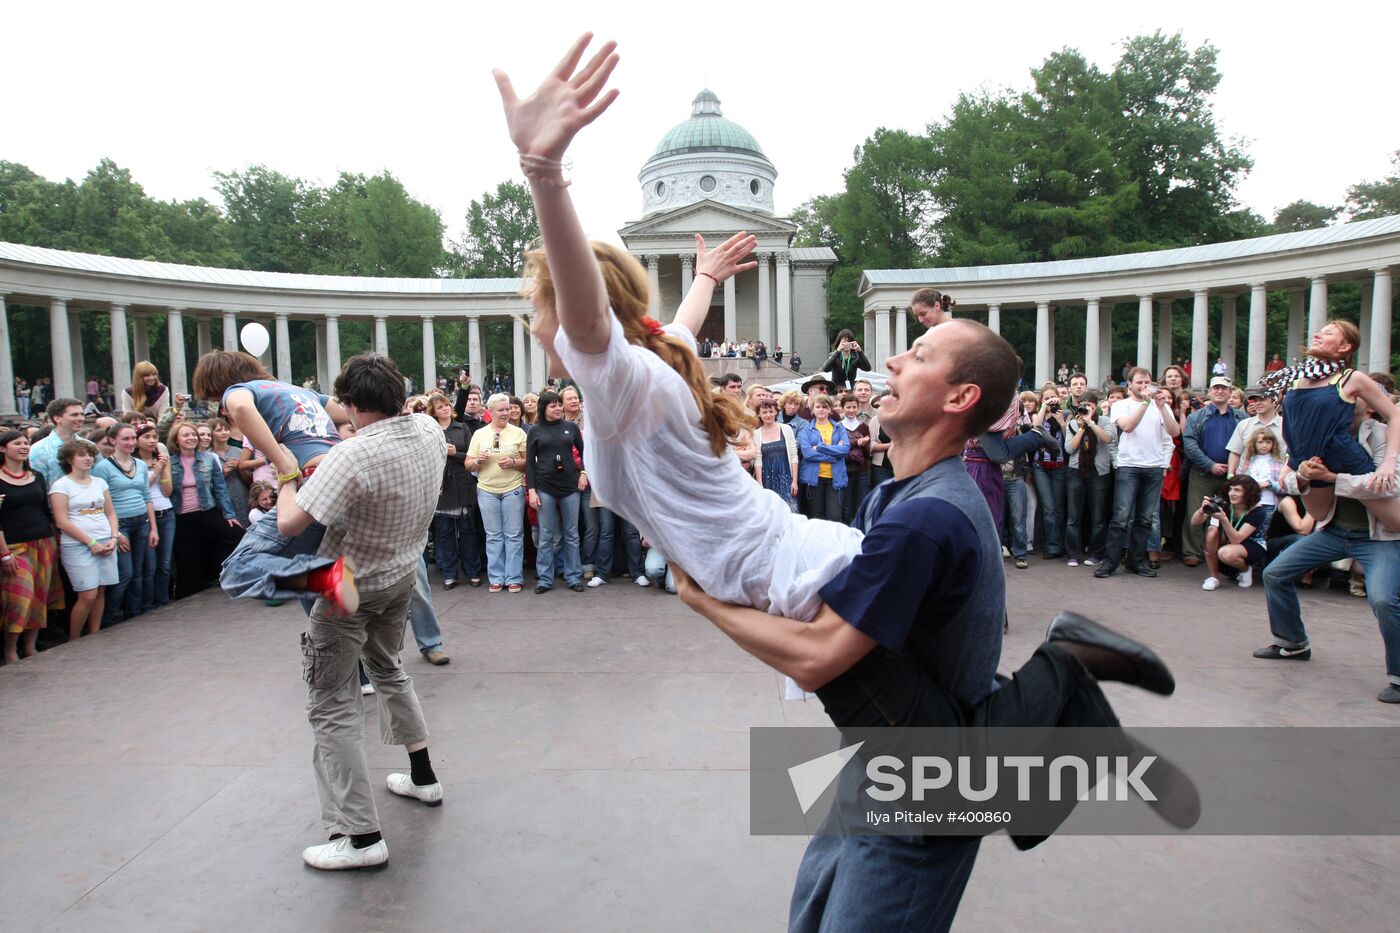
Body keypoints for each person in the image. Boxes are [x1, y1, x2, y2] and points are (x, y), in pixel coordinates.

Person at [494, 56, 1190, 909]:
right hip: (796, 557)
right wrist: (706, 280)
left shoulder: (620, 383)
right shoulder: (656, 375)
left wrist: (544, 174)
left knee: (946, 769)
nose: (557, 339)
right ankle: (1061, 685)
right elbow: (667, 327)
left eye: (555, 319)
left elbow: (595, 322)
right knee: (936, 751)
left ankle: (1065, 671)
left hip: (791, 578)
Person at [270, 352, 448, 870]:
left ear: (349, 404)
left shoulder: (354, 455)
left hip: (346, 585)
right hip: (401, 575)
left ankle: (361, 837)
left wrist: (286, 475)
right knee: (389, 667)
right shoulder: (427, 429)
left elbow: (290, 524)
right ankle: (423, 777)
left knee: (331, 704)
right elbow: (365, 455)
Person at [1256, 457, 1400, 703]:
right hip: (1333, 531)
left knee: (1384, 600)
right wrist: (1303, 473)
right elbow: (1287, 482)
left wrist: (1333, 478)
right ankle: (1293, 643)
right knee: (1275, 573)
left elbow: (1389, 485)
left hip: (1379, 538)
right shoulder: (1322, 440)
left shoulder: (1382, 440)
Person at [1259, 320, 1400, 532]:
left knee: (1396, 524)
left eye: (1329, 333)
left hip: (1346, 460)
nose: (1317, 334)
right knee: (1321, 516)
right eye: (1319, 331)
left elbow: (1394, 415)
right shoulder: (1296, 380)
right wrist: (1292, 461)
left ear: (1344, 347)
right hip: (1308, 462)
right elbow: (1295, 428)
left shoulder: (1352, 378)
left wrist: (1389, 462)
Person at [1095, 368, 1181, 578]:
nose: (1144, 386)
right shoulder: (1121, 405)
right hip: (1129, 465)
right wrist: (1145, 402)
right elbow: (1128, 427)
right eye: (1140, 382)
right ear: (1130, 384)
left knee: (1145, 518)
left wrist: (1161, 407)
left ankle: (1135, 561)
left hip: (1154, 466)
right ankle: (1110, 562)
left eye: (1147, 382)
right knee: (1121, 517)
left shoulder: (1160, 406)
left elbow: (1175, 431)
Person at [49, 438, 119, 641]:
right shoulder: (61, 486)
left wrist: (114, 537)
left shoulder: (99, 482)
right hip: (79, 545)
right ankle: (74, 638)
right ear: (69, 459)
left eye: (90, 455)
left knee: (100, 591)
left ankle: (95, 634)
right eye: (81, 455)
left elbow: (111, 513)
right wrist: (91, 543)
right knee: (86, 594)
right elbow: (61, 521)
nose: (88, 458)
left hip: (106, 539)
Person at [0, 430, 61, 662]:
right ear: (3, 449)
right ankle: (9, 649)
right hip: (14, 545)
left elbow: (45, 511)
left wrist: (56, 540)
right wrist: (4, 553)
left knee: (39, 596)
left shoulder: (35, 476)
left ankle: (30, 646)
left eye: (26, 443)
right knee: (19, 598)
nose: (24, 446)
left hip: (43, 541)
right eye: (17, 443)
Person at [167, 422, 243, 600]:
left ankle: (229, 575)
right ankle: (189, 593)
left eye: (193, 435)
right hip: (181, 516)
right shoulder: (170, 463)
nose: (191, 438)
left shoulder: (209, 459)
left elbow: (220, 489)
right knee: (187, 557)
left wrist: (229, 514)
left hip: (206, 511)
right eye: (186, 435)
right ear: (176, 440)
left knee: (237, 535)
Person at [92, 423, 157, 624]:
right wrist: (116, 533)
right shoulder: (103, 467)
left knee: (138, 572)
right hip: (120, 525)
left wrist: (153, 527)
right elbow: (101, 503)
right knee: (125, 574)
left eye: (132, 439)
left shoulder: (140, 464)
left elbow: (147, 496)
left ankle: (134, 614)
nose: (131, 443)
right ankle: (107, 618)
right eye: (125, 439)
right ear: (113, 441)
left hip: (141, 522)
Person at [1179, 376, 1245, 567]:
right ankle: (1192, 552)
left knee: (1230, 514)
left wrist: (1233, 468)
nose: (1220, 391)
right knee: (1196, 512)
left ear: (1231, 392)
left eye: (1224, 388)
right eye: (1216, 388)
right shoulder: (1196, 416)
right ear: (1209, 391)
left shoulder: (1242, 418)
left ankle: (1223, 552)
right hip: (1202, 473)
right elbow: (1189, 444)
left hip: (1232, 475)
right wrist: (1210, 465)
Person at [526, 389, 586, 592]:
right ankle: (544, 579)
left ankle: (573, 576)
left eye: (559, 404)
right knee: (546, 535)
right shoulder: (535, 430)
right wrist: (532, 490)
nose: (558, 408)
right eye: (553, 405)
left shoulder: (571, 427)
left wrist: (584, 473)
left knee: (571, 534)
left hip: (570, 487)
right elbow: (530, 465)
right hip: (545, 488)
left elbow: (585, 452)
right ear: (544, 408)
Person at [467, 393, 528, 592]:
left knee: (513, 535)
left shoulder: (519, 433)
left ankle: (514, 577)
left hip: (513, 489)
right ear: (490, 411)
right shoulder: (479, 434)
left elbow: (528, 463)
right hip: (486, 490)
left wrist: (513, 462)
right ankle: (496, 577)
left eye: (508, 409)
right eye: (501, 410)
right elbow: (468, 464)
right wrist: (478, 461)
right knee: (493, 536)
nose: (506, 413)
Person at [428, 394, 483, 589]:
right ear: (433, 411)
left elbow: (471, 455)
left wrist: (454, 454)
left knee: (468, 531)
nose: (443, 408)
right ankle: (450, 574)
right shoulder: (430, 431)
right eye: (439, 406)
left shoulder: (462, 427)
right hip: (442, 486)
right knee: (444, 533)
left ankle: (473, 571)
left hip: (463, 483)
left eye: (446, 405)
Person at [1191, 474, 1267, 590]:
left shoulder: (1257, 510)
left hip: (1253, 545)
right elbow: (1194, 522)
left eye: (1237, 490)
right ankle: (1213, 577)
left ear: (1248, 493)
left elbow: (1237, 539)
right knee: (1212, 531)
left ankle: (1245, 569)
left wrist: (1224, 519)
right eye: (1231, 489)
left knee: (1225, 553)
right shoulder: (1225, 504)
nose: (1232, 493)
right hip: (1230, 542)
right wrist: (1202, 510)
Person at [135, 425, 174, 611]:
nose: (152, 440)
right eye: (147, 437)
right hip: (144, 516)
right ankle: (147, 604)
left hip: (166, 513)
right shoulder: (133, 463)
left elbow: (167, 491)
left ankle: (162, 600)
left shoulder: (161, 460)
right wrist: (156, 472)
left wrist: (164, 471)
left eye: (154, 437)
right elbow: (141, 489)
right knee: (149, 565)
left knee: (165, 563)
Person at [797, 396, 848, 522]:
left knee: (835, 516)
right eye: (818, 406)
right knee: (817, 516)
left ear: (830, 409)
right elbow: (808, 453)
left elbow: (845, 449)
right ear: (812, 409)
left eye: (824, 407)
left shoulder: (839, 428)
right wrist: (834, 455)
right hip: (814, 478)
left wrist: (820, 447)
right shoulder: (806, 430)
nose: (821, 409)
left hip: (835, 478)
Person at [752, 397, 799, 512]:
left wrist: (794, 481)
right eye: (764, 412)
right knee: (770, 512)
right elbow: (757, 460)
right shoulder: (755, 434)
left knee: (789, 511)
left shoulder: (786, 429)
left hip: (786, 476)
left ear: (776, 413)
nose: (768, 415)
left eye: (771, 411)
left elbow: (794, 455)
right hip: (766, 478)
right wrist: (760, 484)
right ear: (759, 414)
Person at [29, 398, 86, 487]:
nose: (81, 418)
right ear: (57, 418)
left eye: (82, 414)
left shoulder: (90, 446)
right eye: (74, 415)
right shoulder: (39, 449)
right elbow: (38, 486)